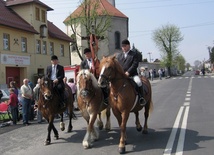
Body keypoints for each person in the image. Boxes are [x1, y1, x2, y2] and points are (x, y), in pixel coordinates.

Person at [116, 39, 146, 106]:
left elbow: (135, 64)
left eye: (125, 46)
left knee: (139, 82)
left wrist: (128, 72)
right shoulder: (119, 56)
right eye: (122, 46)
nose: (123, 48)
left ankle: (141, 97)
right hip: (122, 76)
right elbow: (118, 65)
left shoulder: (134, 54)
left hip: (132, 75)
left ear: (129, 46)